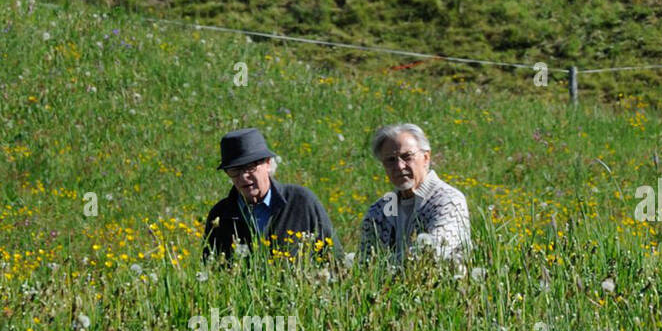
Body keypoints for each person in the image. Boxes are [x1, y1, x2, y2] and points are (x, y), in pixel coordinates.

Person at [202, 128, 342, 263]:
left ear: (268, 163)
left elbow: (334, 260)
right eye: (234, 170)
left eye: (250, 167)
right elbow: (211, 270)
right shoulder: (220, 215)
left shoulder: (301, 202)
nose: (244, 176)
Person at [358, 123, 472, 264]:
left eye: (407, 157)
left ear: (426, 157)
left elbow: (430, 255)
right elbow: (364, 264)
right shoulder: (378, 212)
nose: (399, 166)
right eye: (390, 160)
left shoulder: (449, 201)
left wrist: (384, 269)